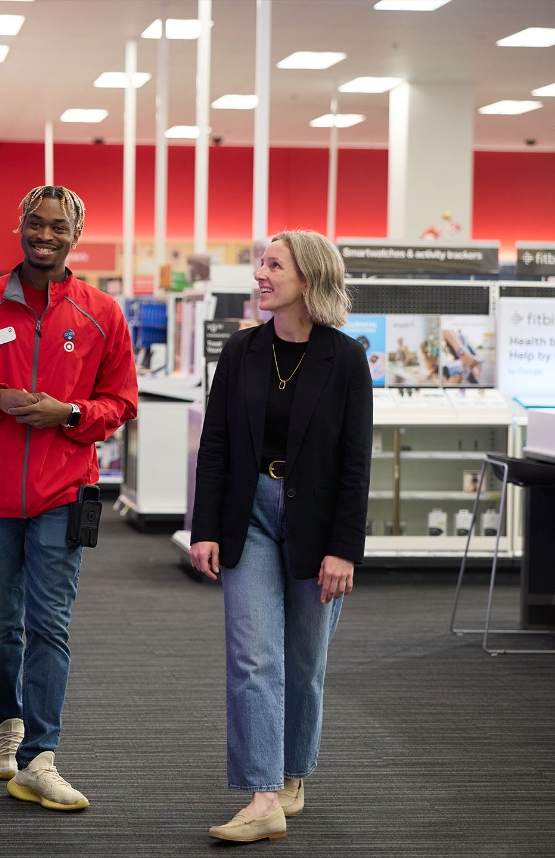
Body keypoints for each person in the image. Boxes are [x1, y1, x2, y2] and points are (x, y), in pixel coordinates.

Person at [0, 185, 137, 812]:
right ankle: (8, 721)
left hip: (63, 494)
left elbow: (120, 402)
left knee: (50, 622)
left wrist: (69, 413)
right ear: (20, 226)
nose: (44, 236)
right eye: (34, 224)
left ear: (76, 237)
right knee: (1, 624)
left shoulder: (102, 313)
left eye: (57, 228)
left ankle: (40, 756)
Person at [189, 230, 372, 843]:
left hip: (318, 523)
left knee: (304, 660)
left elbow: (355, 463)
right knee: (252, 654)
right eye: (259, 264)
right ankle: (264, 795)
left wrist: (344, 547)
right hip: (251, 515)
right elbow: (214, 446)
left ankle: (294, 773)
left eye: (273, 265)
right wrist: (205, 527)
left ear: (309, 278)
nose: (260, 275)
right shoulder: (241, 351)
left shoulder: (345, 358)